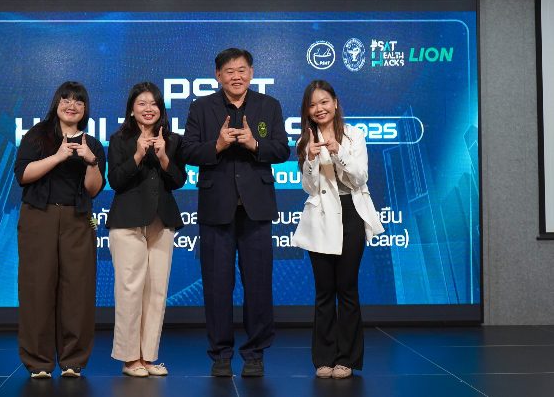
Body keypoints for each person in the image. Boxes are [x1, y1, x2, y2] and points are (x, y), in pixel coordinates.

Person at [181, 48, 290, 378]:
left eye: (242, 70)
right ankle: (220, 354)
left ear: (252, 73)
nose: (236, 76)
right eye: (229, 71)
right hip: (217, 209)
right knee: (217, 285)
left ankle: (255, 353)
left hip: (256, 210)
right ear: (218, 76)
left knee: (258, 284)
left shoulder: (268, 106)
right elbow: (187, 151)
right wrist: (217, 145)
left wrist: (254, 144)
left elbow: (282, 149)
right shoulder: (201, 108)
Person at [291, 80, 384, 379]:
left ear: (335, 102)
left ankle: (347, 359)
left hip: (351, 213)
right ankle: (324, 358)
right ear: (307, 110)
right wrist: (311, 158)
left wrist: (338, 151)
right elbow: (309, 187)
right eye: (313, 105)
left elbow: (360, 177)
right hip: (320, 218)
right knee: (323, 291)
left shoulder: (355, 135)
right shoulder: (306, 139)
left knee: (347, 288)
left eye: (324, 102)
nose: (319, 109)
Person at [13, 81, 106, 379]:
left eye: (79, 101)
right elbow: (23, 175)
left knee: (78, 290)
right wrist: (58, 156)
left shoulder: (92, 144)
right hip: (38, 217)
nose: (71, 105)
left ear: (85, 109)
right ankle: (38, 362)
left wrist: (91, 162)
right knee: (36, 288)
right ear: (56, 104)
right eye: (66, 99)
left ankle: (73, 360)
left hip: (78, 220)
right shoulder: (37, 136)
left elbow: (93, 189)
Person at [107, 82, 187, 377]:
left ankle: (148, 356)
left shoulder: (173, 140)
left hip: (161, 222)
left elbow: (178, 180)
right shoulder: (120, 140)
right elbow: (115, 180)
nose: (148, 108)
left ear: (161, 109)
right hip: (127, 222)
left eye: (153, 103)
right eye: (142, 103)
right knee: (130, 290)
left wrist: (164, 157)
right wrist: (138, 155)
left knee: (157, 290)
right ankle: (130, 359)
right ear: (131, 109)